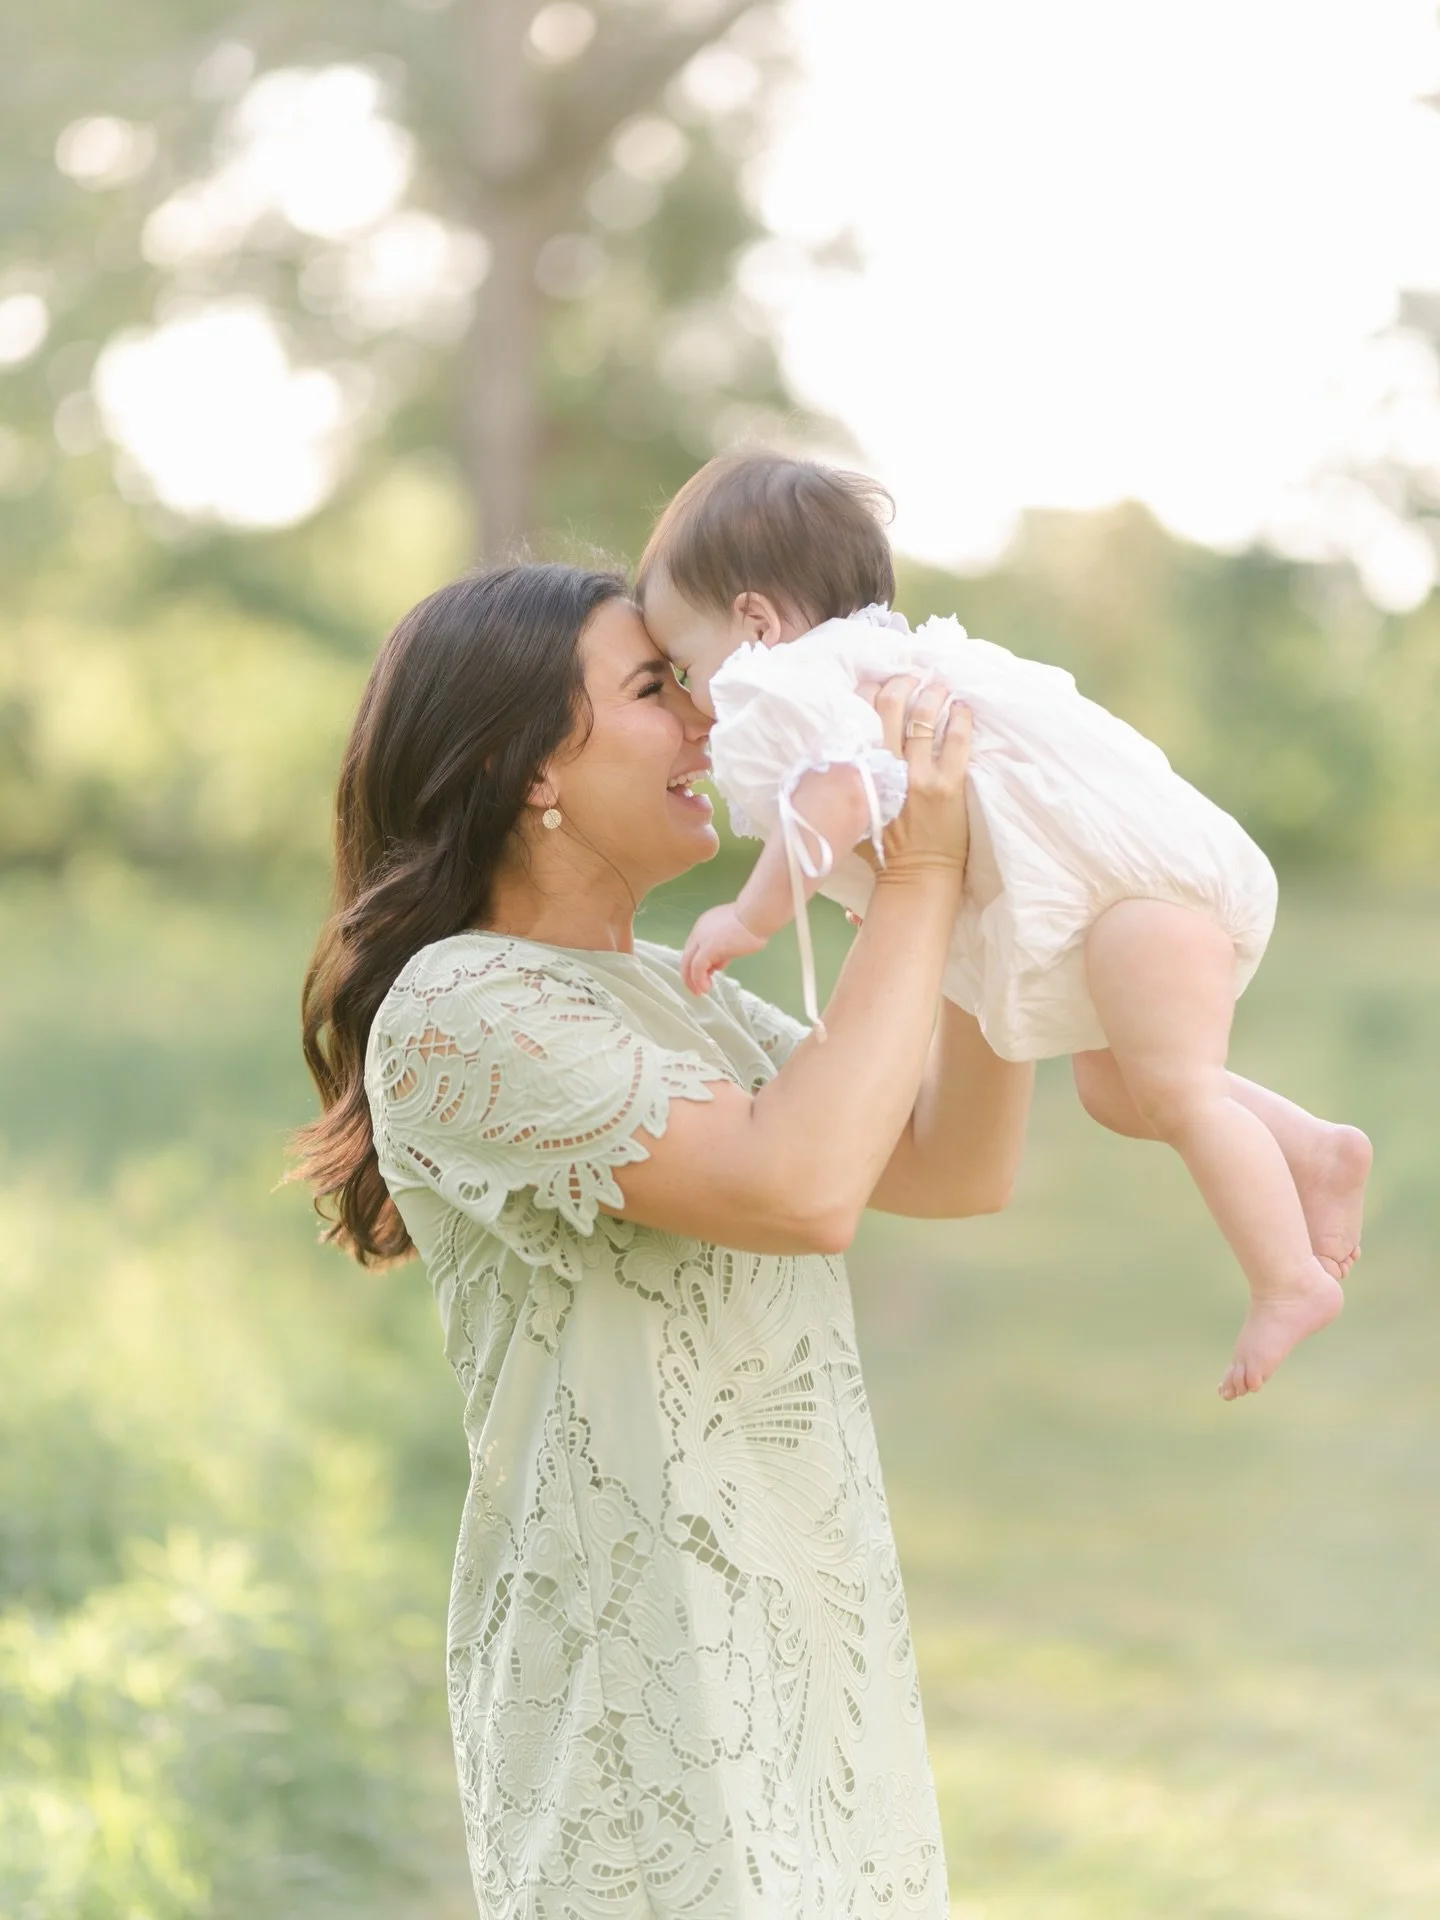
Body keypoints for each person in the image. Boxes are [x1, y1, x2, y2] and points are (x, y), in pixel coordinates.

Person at [292, 563, 1034, 1919]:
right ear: (530, 767)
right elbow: (802, 1187)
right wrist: (916, 880)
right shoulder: (462, 1004)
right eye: (657, 690)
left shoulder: (667, 992)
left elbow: (952, 1163)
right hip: (642, 1684)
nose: (709, 726)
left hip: (801, 1635)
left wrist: (979, 912)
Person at [635, 451, 1373, 1404]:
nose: (694, 698)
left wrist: (753, 910)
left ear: (755, 621)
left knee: (1180, 1094)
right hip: (1135, 897)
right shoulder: (886, 664)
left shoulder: (798, 683)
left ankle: (1288, 1278)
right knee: (1117, 1086)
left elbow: (835, 797)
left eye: (685, 666)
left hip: (1132, 894)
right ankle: (1316, 1149)